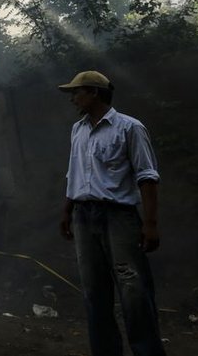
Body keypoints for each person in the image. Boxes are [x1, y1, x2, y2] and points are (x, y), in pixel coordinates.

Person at [58, 70, 166, 356]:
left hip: (119, 217)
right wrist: (67, 210)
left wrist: (151, 224)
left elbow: (147, 177)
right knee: (94, 292)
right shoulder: (77, 129)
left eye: (76, 92)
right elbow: (74, 173)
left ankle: (147, 352)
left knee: (134, 291)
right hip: (83, 215)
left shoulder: (129, 128)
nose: (72, 98)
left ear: (94, 92)